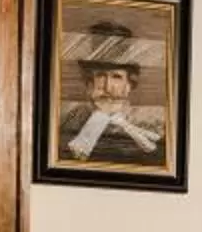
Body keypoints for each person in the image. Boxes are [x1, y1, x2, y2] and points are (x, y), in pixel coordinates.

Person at [58, 22, 165, 167]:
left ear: (129, 85)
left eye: (116, 76)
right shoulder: (70, 122)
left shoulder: (149, 125)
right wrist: (99, 117)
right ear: (90, 83)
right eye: (101, 75)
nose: (108, 87)